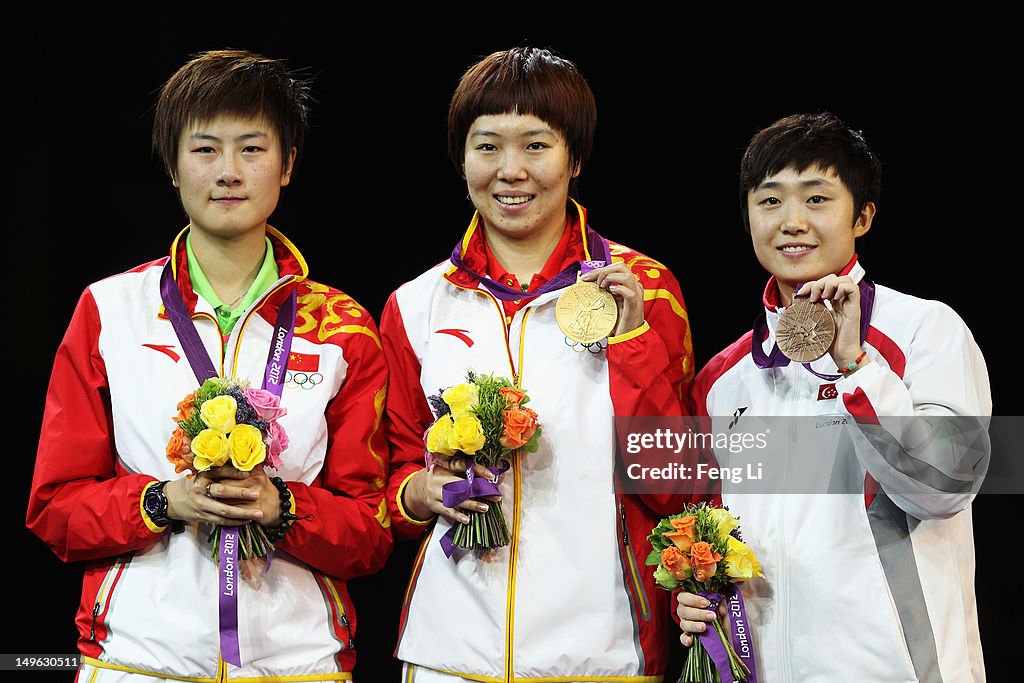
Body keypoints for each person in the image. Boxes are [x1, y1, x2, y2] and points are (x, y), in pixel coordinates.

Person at [26, 49, 393, 681]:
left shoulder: (343, 328)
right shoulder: (110, 310)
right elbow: (55, 509)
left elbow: (370, 532)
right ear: (172, 166)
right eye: (204, 150)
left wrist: (283, 508)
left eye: (252, 149)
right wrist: (164, 502)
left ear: (288, 166)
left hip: (299, 664)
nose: (228, 172)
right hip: (138, 662)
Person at [380, 45, 706, 682]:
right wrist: (420, 492)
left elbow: (679, 486)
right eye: (487, 146)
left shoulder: (644, 288)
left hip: (603, 652)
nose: (510, 171)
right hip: (450, 655)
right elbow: (387, 479)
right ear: (461, 158)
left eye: (535, 145)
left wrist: (632, 340)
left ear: (575, 157)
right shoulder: (415, 305)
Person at [676, 112, 991, 681]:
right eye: (770, 202)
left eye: (817, 199)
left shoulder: (925, 330)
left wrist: (855, 367)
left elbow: (945, 487)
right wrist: (703, 594)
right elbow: (715, 530)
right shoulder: (723, 378)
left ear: (862, 215)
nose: (792, 222)